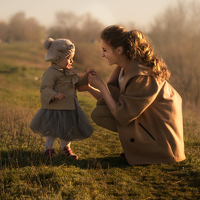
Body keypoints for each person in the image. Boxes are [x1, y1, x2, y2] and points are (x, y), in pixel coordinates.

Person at [78, 25, 186, 165]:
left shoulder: (142, 76)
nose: (102, 55)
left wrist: (102, 87)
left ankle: (147, 151)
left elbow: (122, 114)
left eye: (105, 50)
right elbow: (115, 102)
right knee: (99, 113)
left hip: (164, 140)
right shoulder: (125, 69)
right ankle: (139, 148)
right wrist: (89, 88)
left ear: (119, 50)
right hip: (146, 123)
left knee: (101, 113)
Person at [30, 38, 94, 159]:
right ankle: (49, 149)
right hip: (55, 107)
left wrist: (86, 76)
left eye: (72, 58)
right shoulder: (51, 72)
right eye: (69, 58)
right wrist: (54, 95)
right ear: (58, 58)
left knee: (68, 129)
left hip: (70, 106)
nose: (71, 61)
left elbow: (77, 82)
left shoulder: (69, 71)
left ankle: (65, 148)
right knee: (52, 129)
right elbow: (44, 88)